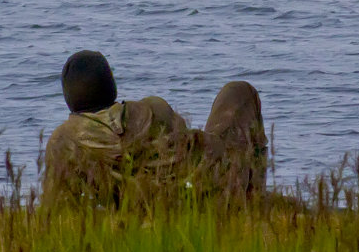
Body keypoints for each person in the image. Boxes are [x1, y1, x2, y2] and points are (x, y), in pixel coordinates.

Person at [41, 50, 267, 208]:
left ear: (69, 100)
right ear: (112, 86)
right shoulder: (153, 109)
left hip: (141, 206)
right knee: (239, 91)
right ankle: (254, 201)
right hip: (209, 192)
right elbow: (189, 145)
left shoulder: (63, 142)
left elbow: (54, 204)